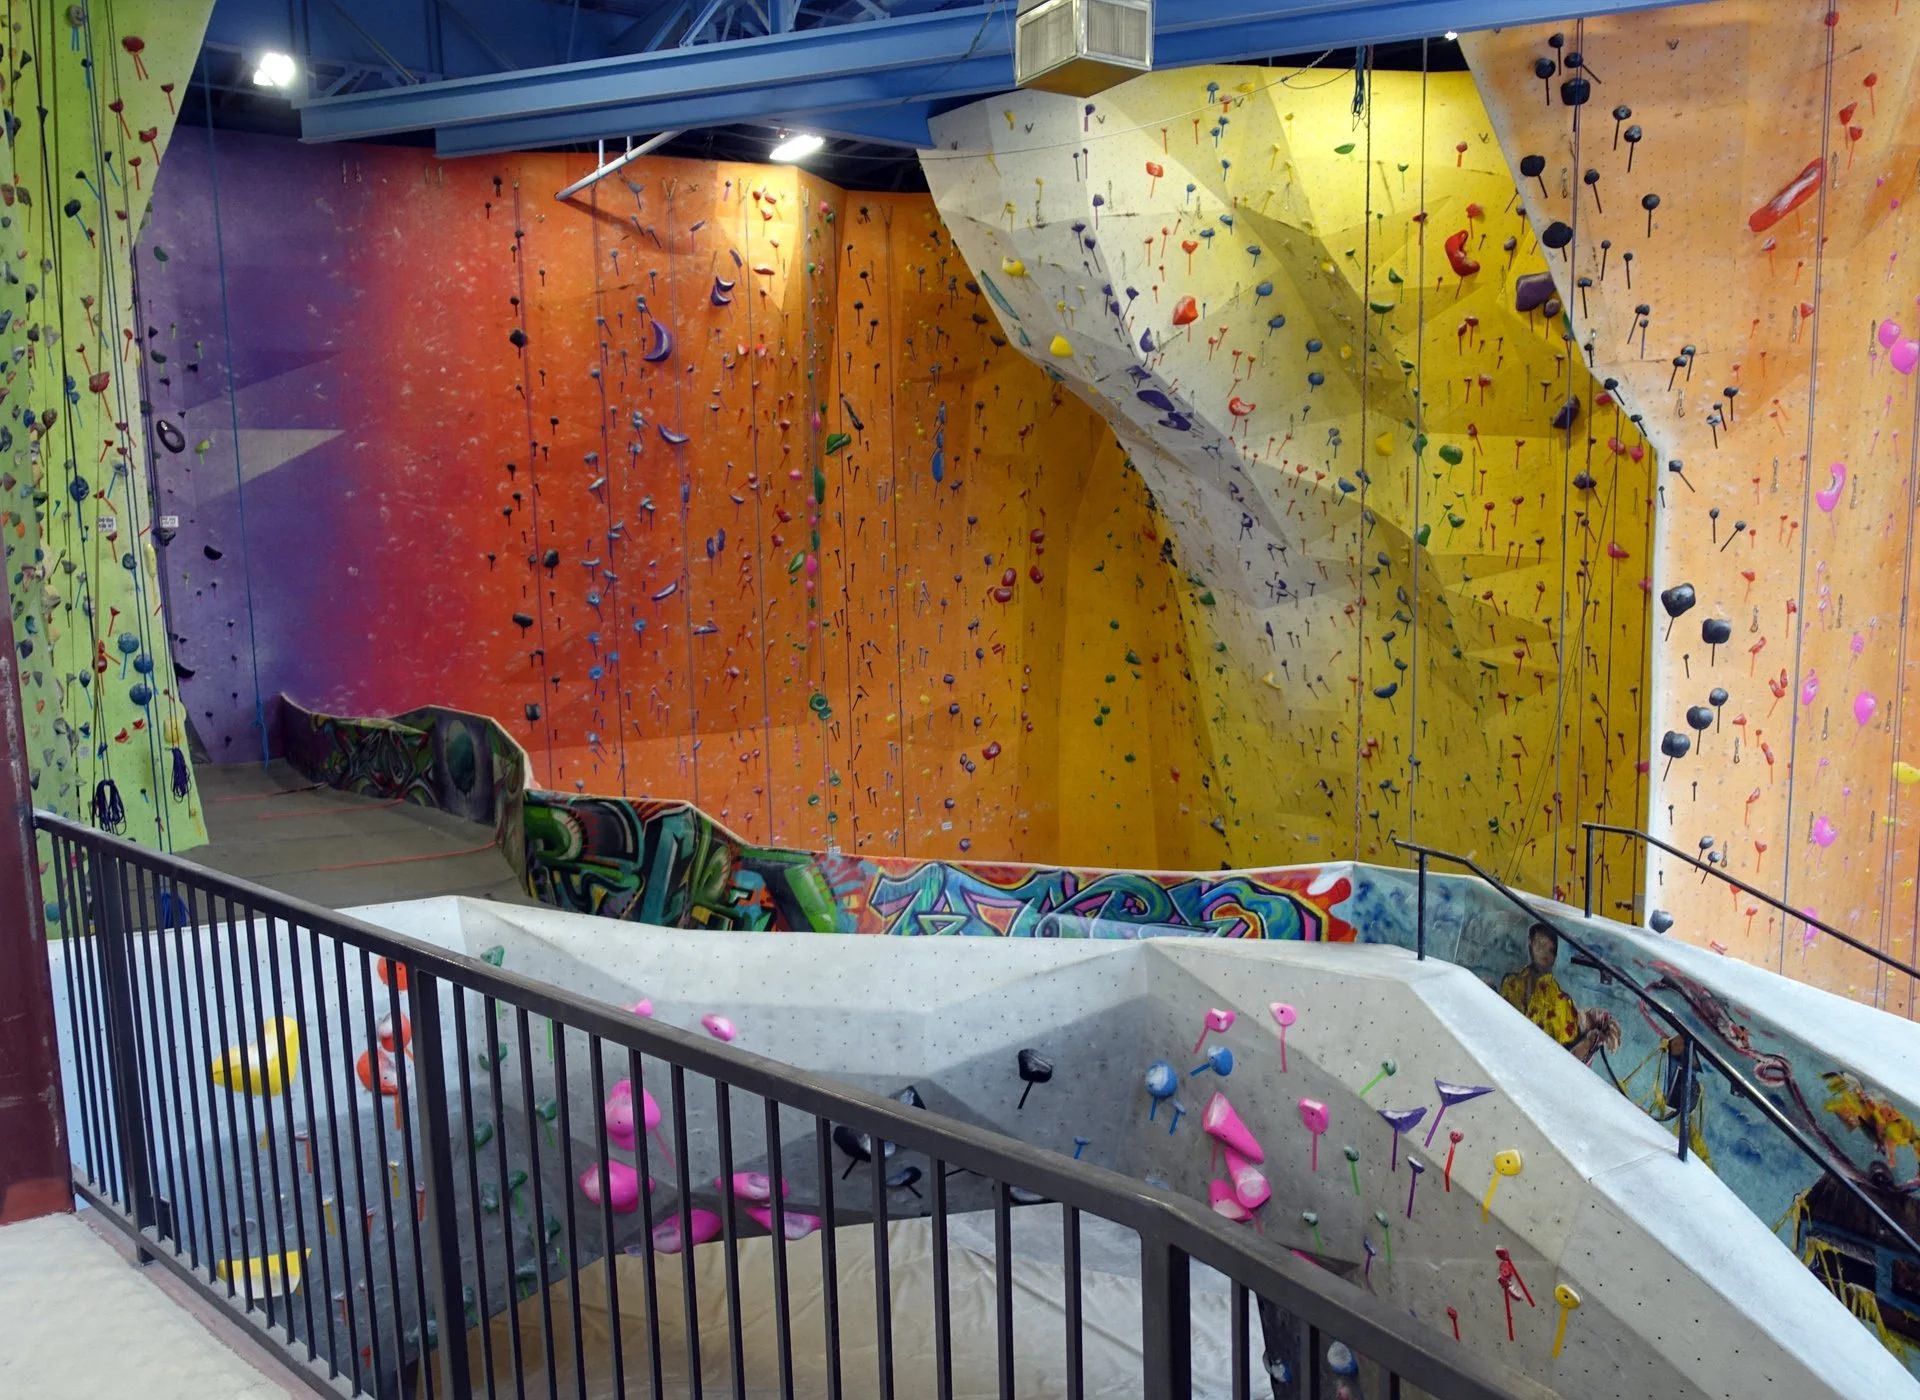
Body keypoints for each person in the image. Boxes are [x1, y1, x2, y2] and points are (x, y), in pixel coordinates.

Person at [1500, 923, 1615, 1063]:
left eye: (1550, 950)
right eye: (1539, 944)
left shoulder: (1559, 999)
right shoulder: (1511, 984)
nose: (1544, 953)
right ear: (1530, 942)